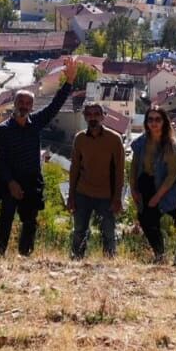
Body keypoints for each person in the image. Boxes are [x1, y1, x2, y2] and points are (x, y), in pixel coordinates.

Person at [0, 63, 76, 257]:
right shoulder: (3, 130)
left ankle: (25, 255)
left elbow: (55, 105)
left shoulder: (36, 122)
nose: (24, 106)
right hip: (9, 182)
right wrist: (11, 182)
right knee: (6, 218)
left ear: (32, 106)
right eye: (21, 102)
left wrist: (69, 81)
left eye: (28, 103)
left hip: (31, 181)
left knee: (30, 221)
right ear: (15, 103)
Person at [68, 101, 124, 259]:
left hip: (106, 195)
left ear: (103, 116)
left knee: (108, 232)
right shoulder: (79, 139)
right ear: (85, 117)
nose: (93, 118)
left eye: (96, 114)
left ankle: (110, 263)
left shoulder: (114, 139)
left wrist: (117, 198)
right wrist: (71, 196)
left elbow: (120, 171)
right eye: (89, 114)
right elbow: (75, 169)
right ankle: (76, 261)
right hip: (83, 192)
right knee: (79, 230)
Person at [130, 105, 176, 262]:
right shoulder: (141, 142)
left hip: (165, 188)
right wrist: (133, 189)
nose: (154, 123)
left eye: (157, 119)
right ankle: (160, 255)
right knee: (145, 220)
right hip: (145, 183)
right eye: (150, 119)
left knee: (166, 221)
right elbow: (134, 166)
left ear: (164, 122)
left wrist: (157, 197)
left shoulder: (172, 146)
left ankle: (168, 256)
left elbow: (172, 175)